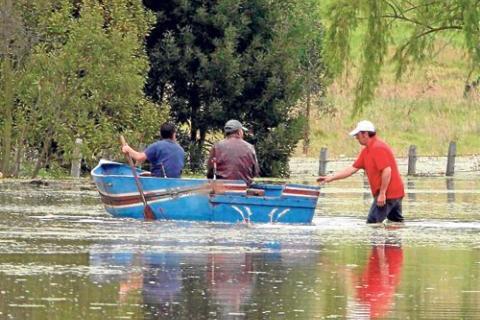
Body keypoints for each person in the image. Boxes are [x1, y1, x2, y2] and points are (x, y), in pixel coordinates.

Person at [317, 120, 404, 223]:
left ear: (365, 134)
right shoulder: (367, 150)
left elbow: (387, 170)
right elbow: (352, 169)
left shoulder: (378, 148)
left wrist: (382, 193)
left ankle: (380, 239)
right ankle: (394, 239)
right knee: (395, 223)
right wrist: (330, 178)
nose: (356, 137)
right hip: (396, 192)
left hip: (388, 194)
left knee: (372, 223)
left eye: (357, 135)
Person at [206, 119, 260, 185]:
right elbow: (255, 172)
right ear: (239, 132)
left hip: (222, 188)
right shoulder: (250, 147)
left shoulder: (217, 146)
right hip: (244, 188)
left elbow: (210, 172)